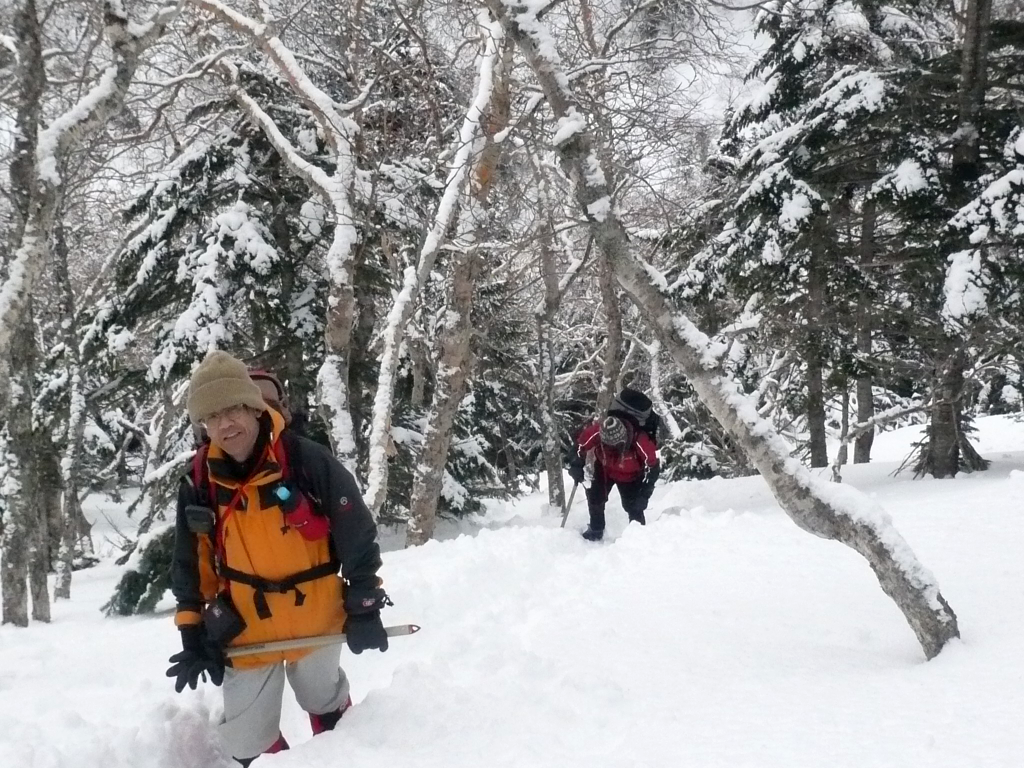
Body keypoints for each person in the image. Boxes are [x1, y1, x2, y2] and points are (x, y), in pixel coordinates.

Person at [167, 351, 389, 766]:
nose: (225, 424)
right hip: (247, 625)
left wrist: (363, 603)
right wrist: (192, 631)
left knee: (324, 699)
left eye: (233, 408)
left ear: (253, 405)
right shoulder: (200, 480)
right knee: (246, 741)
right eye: (212, 416)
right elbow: (190, 560)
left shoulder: (305, 459)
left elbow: (355, 530)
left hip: (317, 613)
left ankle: (337, 758)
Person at [568, 388, 660, 541]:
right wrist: (576, 464)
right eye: (607, 444)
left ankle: (639, 537)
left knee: (633, 507)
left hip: (631, 476)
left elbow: (653, 467)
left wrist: (644, 494)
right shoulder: (599, 430)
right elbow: (580, 445)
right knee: (595, 498)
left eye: (615, 445)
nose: (612, 448)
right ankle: (596, 530)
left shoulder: (641, 440)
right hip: (604, 469)